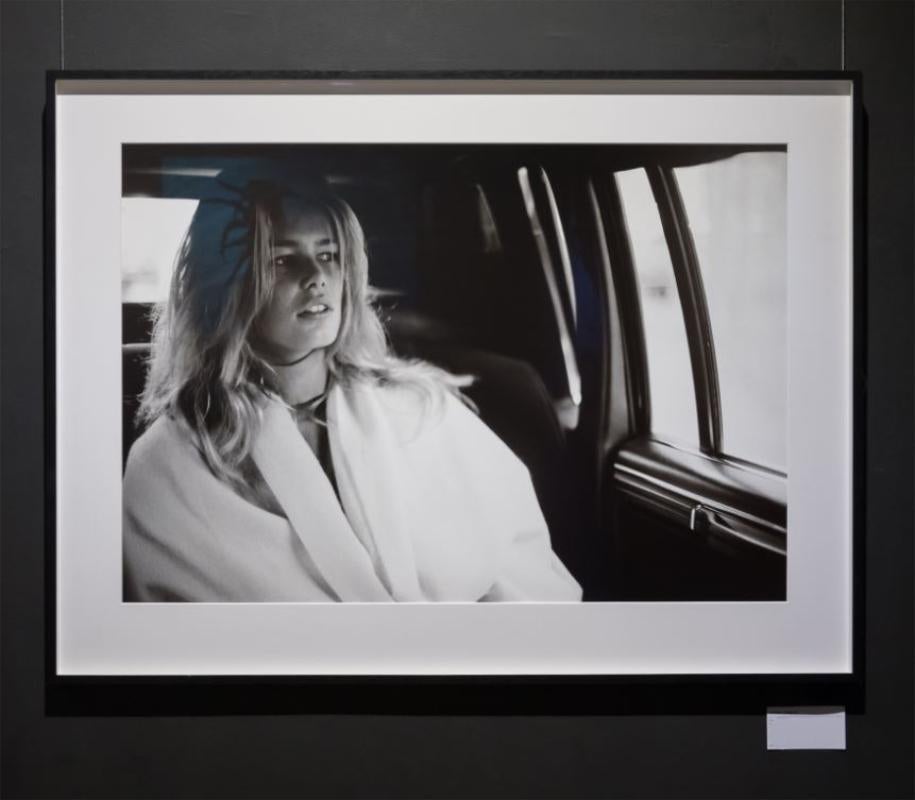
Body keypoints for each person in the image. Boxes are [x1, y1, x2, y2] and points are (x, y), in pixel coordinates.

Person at [123, 168, 582, 603]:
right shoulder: (167, 464)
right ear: (224, 286)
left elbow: (527, 575)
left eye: (328, 255)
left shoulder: (422, 410)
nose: (317, 277)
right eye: (282, 259)